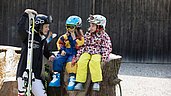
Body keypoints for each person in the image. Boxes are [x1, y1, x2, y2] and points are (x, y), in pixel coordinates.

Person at [16, 9, 55, 96]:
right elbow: (20, 28)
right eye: (46, 27)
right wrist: (25, 14)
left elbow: (46, 52)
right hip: (24, 74)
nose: (48, 29)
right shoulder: (29, 36)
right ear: (39, 26)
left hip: (35, 76)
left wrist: (50, 55)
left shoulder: (42, 39)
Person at [74, 14, 112, 91]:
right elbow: (83, 45)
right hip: (87, 51)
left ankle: (96, 81)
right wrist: (78, 54)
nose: (90, 28)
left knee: (94, 62)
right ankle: (80, 82)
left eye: (93, 26)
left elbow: (106, 47)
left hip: (97, 52)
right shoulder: (88, 34)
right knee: (82, 61)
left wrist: (104, 56)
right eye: (90, 25)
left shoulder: (104, 36)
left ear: (99, 27)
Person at [49, 16, 84, 91]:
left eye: (71, 27)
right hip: (65, 52)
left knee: (71, 62)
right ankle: (56, 76)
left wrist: (74, 38)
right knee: (57, 59)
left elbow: (78, 45)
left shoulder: (80, 38)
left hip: (74, 53)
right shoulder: (65, 36)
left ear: (77, 27)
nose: (69, 29)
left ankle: (72, 78)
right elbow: (60, 43)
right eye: (67, 27)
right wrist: (61, 50)